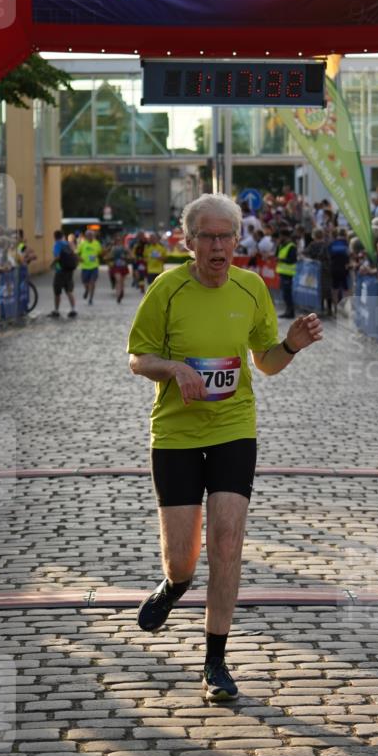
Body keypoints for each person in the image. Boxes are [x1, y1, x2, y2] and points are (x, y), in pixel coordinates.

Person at [127, 194, 323, 701]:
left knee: (228, 543)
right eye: (208, 237)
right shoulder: (166, 290)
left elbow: (266, 361)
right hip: (176, 434)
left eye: (226, 236)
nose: (218, 246)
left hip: (234, 428)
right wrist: (173, 368)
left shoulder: (252, 287)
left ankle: (216, 662)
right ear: (188, 242)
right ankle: (173, 588)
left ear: (239, 239)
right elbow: (137, 357)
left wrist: (293, 346)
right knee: (183, 562)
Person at [50, 229, 78, 318]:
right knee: (69, 290)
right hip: (69, 270)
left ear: (54, 237)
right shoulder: (67, 244)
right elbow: (74, 253)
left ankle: (56, 310)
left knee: (57, 291)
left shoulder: (57, 244)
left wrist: (52, 264)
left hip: (60, 270)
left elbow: (57, 256)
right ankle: (73, 309)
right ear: (63, 236)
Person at [275, 227, 298, 318]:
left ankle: (290, 312)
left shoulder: (291, 246)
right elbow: (276, 255)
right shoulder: (281, 245)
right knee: (285, 294)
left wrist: (281, 259)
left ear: (285, 236)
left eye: (280, 236)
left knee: (287, 294)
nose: (279, 238)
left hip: (288, 273)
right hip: (282, 273)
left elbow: (292, 260)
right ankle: (287, 311)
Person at [77, 230, 102, 304]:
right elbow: (77, 253)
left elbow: (100, 253)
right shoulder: (82, 244)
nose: (90, 237)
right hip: (85, 266)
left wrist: (98, 255)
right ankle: (87, 290)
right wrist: (79, 258)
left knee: (92, 282)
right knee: (85, 282)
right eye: (88, 235)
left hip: (94, 266)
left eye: (91, 235)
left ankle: (91, 298)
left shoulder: (97, 243)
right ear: (86, 236)